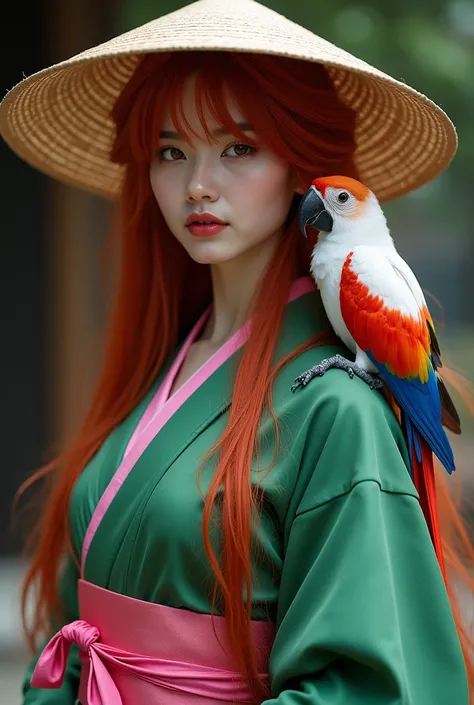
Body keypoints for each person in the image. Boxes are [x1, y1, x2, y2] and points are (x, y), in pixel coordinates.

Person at [1, 0, 472, 703]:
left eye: (239, 147)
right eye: (170, 151)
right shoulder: (165, 366)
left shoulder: (338, 404)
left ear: (300, 167)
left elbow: (362, 685)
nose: (198, 184)